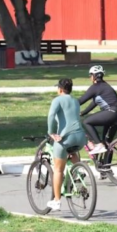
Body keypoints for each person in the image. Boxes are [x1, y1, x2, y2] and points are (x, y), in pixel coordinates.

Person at [46, 78, 86, 212]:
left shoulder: (57, 100)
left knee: (58, 170)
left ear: (61, 89)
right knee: (72, 151)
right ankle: (78, 171)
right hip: (80, 138)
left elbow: (51, 115)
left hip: (66, 138)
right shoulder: (75, 101)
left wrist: (51, 132)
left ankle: (57, 201)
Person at [78, 65, 117, 157]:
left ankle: (98, 145)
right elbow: (94, 102)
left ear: (94, 76)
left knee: (87, 122)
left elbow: (80, 101)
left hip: (112, 113)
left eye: (90, 75)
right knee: (107, 143)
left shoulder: (95, 87)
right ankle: (106, 168)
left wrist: (67, 104)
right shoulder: (105, 86)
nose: (90, 77)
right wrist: (83, 113)